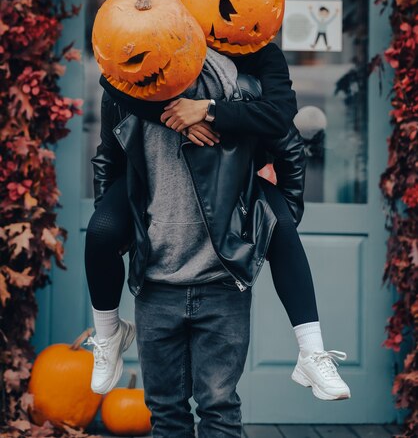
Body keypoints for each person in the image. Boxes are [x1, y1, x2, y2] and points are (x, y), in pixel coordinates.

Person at [85, 41, 350, 421]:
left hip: (222, 280)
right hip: (156, 281)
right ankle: (108, 333)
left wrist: (208, 111)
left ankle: (311, 350)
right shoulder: (130, 86)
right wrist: (121, 226)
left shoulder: (245, 86)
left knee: (219, 410)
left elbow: (286, 139)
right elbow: (108, 151)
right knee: (165, 412)